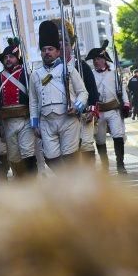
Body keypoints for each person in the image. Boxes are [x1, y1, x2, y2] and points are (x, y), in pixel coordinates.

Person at [29, 20, 88, 169]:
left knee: (70, 158)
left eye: (50, 49)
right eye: (44, 50)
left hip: (68, 119)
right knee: (51, 159)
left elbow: (83, 93)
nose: (47, 52)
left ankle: (71, 189)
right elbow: (33, 101)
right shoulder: (35, 74)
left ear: (57, 51)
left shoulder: (68, 69)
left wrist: (77, 107)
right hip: (46, 122)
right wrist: (34, 124)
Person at [0, 37, 37, 176]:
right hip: (7, 123)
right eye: (6, 57)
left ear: (17, 58)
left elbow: (34, 99)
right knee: (14, 157)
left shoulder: (26, 75)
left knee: (28, 153)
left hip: (25, 120)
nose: (8, 59)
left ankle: (33, 183)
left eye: (11, 57)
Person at [86, 44, 130, 174]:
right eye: (94, 60)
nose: (96, 61)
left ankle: (120, 164)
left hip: (113, 109)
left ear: (104, 60)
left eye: (98, 59)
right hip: (98, 111)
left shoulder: (114, 74)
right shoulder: (91, 75)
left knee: (118, 135)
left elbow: (122, 90)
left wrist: (126, 104)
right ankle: (105, 166)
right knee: (100, 140)